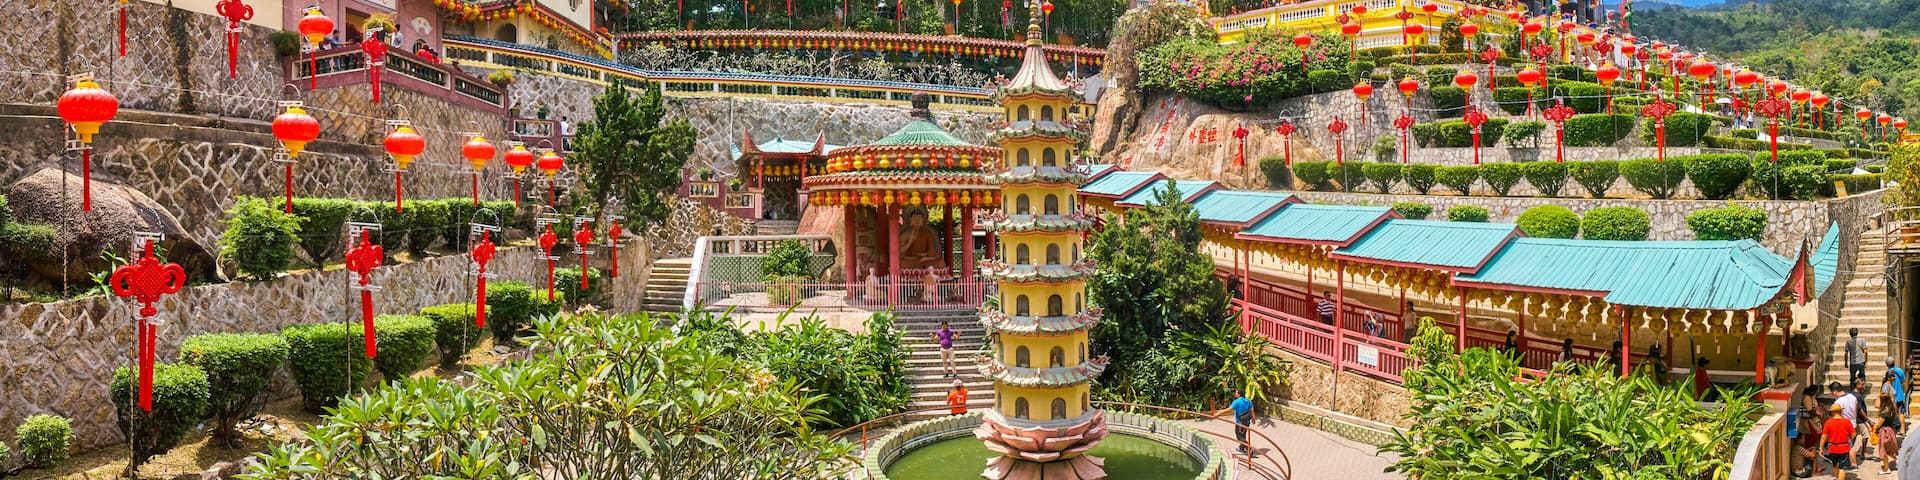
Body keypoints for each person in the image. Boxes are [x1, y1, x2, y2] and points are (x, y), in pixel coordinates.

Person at [1213, 390, 1256, 456]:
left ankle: (1249, 448)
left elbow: (1229, 409)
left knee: (1239, 436)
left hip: (1240, 422)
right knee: (1243, 434)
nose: (1235, 394)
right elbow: (1252, 411)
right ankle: (1242, 448)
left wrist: (1218, 414)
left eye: (1236, 393)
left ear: (1239, 394)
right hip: (1247, 421)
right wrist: (1253, 419)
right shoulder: (1249, 401)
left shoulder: (1236, 402)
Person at [1820, 402, 1856, 479]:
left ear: (1832, 412)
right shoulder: (1847, 421)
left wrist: (1821, 448)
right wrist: (1850, 441)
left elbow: (1823, 437)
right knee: (1842, 468)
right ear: (1841, 411)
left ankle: (1837, 477)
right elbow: (1853, 434)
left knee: (1834, 465)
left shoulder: (1828, 422)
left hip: (1832, 448)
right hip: (1844, 447)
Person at [1877, 390, 1902, 474]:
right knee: (1890, 449)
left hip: (1885, 431)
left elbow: (1879, 423)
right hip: (1891, 430)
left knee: (1883, 450)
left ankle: (1886, 469)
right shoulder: (1892, 408)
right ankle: (1898, 461)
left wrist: (1874, 428)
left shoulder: (1884, 412)